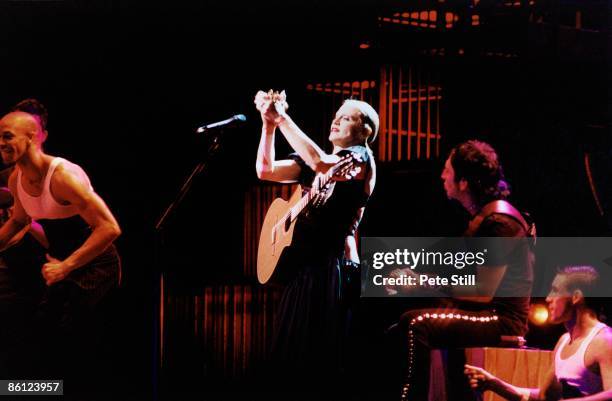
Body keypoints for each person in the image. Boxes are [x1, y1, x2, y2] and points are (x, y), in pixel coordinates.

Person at [253, 90, 378, 395]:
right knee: (288, 362)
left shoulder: (360, 158)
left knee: (316, 363)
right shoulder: (311, 163)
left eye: (345, 117)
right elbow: (265, 170)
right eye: (336, 115)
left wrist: (282, 117)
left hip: (331, 273)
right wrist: (268, 125)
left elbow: (322, 163)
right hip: (303, 275)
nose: (335, 121)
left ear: (364, 132)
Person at [390, 140, 535, 400]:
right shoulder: (485, 217)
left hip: (501, 319)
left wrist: (422, 282)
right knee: (401, 321)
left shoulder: (499, 222)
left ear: (464, 181)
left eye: (448, 170)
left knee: (415, 324)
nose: (442, 175)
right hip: (484, 313)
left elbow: (481, 292)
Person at [0, 99, 121, 384]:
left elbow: (110, 228)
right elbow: (19, 220)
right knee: (42, 339)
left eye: (7, 136)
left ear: (32, 137)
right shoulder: (18, 179)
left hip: (95, 265)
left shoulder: (63, 176)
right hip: (60, 267)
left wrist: (66, 267)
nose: (1, 143)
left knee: (68, 342)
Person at [465, 265, 612, 401]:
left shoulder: (604, 341)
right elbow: (544, 396)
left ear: (576, 297)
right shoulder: (564, 341)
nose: (548, 298)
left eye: (555, 290)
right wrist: (493, 384)